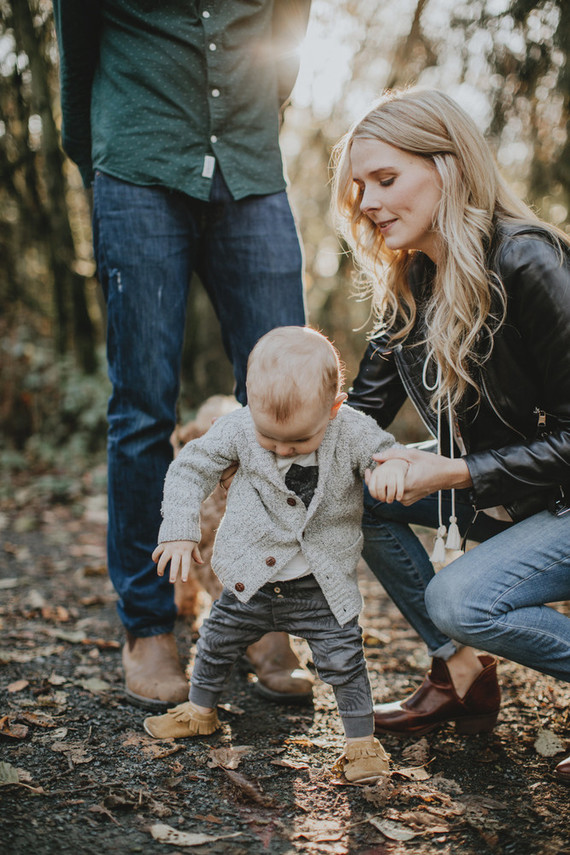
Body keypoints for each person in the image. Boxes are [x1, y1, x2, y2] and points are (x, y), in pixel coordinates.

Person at [52, 1, 315, 709]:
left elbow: (288, 31)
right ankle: (149, 624)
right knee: (142, 404)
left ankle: (262, 613)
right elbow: (77, 53)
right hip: (136, 167)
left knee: (287, 407)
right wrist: (100, 157)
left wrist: (261, 111)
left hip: (251, 168)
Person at [331, 87, 570, 783]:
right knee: (361, 493)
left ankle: (458, 640)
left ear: (450, 165)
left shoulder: (531, 262)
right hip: (517, 493)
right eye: (359, 186)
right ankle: (461, 674)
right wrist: (268, 434)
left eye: (386, 178)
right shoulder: (411, 281)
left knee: (461, 600)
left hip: (555, 493)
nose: (368, 202)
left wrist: (455, 473)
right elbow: (359, 419)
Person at [142, 326, 409, 782]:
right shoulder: (240, 425)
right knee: (215, 642)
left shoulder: (351, 428)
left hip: (321, 587)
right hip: (250, 578)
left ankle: (361, 743)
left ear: (334, 407)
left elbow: (388, 452)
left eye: (299, 442)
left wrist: (393, 470)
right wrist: (180, 529)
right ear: (249, 400)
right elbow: (189, 468)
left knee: (345, 661)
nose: (283, 449)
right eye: (271, 440)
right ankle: (199, 710)